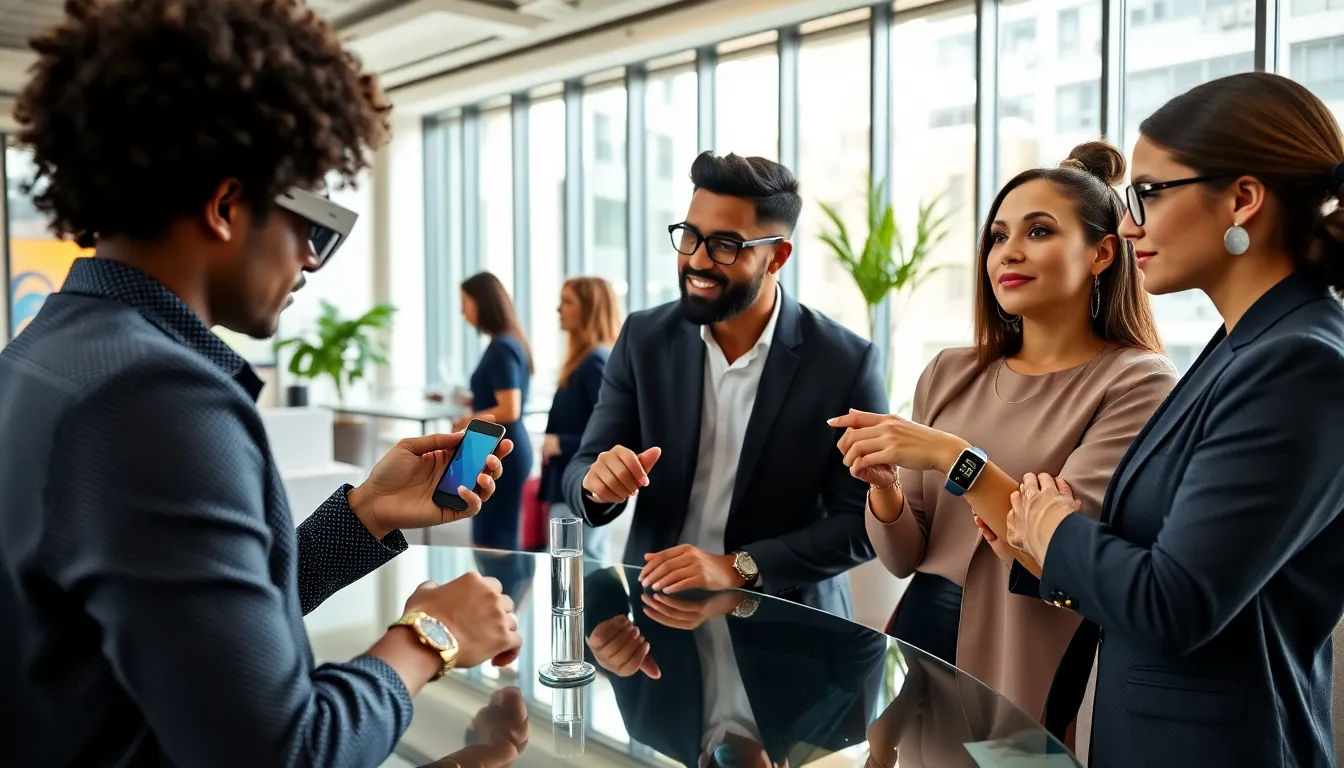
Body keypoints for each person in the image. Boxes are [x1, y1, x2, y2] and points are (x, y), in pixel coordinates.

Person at [0, 1, 521, 765]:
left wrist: (365, 515)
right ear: (226, 206)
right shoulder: (155, 398)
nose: (311, 259)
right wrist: (429, 637)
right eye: (313, 224)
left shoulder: (47, 353)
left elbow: (190, 633)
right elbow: (281, 752)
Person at [1006, 72, 1344, 768]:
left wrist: (1056, 530)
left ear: (1242, 200)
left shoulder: (1297, 362)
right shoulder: (1243, 344)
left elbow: (1175, 604)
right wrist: (1043, 540)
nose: (1129, 223)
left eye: (1150, 193)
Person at [830, 142, 1175, 733]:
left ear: (1102, 252)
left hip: (1026, 656)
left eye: (1039, 231)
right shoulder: (949, 371)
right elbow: (902, 557)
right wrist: (884, 488)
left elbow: (1056, 554)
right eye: (997, 236)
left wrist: (953, 457)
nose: (1008, 251)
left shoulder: (1136, 382)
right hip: (917, 644)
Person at [563, 151, 888, 617]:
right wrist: (597, 484)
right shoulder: (644, 338)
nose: (697, 260)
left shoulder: (844, 363)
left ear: (776, 257)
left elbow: (863, 522)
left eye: (725, 245)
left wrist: (737, 567)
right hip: (656, 615)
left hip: (790, 625)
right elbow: (582, 468)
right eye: (689, 236)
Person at [582, 565, 886, 767]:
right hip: (787, 527)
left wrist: (600, 629)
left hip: (667, 521)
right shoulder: (839, 727)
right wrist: (738, 599)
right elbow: (869, 639)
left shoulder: (649, 722)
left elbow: (600, 581)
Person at [538, 276, 622, 562]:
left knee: (579, 565)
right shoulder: (584, 360)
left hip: (581, 487)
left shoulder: (595, 363)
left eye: (568, 302)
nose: (558, 309)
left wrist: (560, 443)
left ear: (589, 309)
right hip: (569, 484)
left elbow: (611, 437)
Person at [457, 271, 535, 552]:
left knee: (493, 541)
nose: (462, 312)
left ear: (482, 302)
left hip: (502, 450)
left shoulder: (502, 347)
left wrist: (468, 419)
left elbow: (510, 408)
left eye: (465, 303)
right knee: (493, 535)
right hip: (496, 445)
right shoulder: (506, 342)